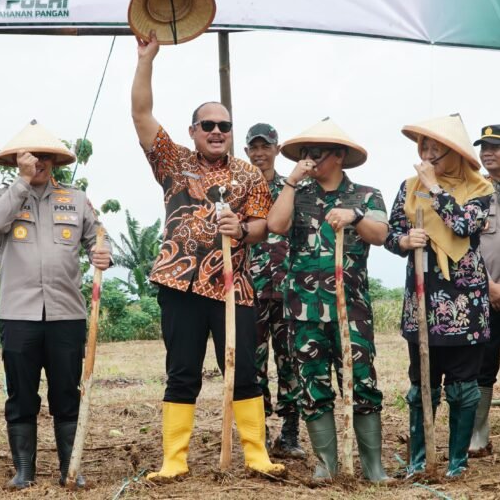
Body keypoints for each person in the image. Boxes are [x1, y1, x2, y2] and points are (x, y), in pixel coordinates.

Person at [132, 32, 284, 480]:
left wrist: (242, 229)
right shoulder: (172, 162)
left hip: (232, 287)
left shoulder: (248, 173)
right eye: (209, 125)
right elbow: (141, 113)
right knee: (182, 372)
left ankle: (256, 454)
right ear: (193, 131)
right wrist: (146, 59)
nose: (217, 132)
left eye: (224, 126)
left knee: (244, 372)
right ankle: (173, 461)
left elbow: (262, 225)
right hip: (179, 284)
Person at [0, 120, 112, 489]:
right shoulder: (1, 196)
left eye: (42, 156)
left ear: (54, 160)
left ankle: (69, 470)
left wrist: (104, 253)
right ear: (16, 161)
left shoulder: (75, 198)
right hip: (18, 314)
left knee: (66, 393)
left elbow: (98, 237)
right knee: (21, 394)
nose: (36, 162)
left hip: (66, 315)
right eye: (28, 156)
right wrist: (21, 182)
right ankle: (23, 471)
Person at [268, 117, 389, 482]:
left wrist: (354, 217)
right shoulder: (297, 195)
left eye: (316, 153)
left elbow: (381, 234)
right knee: (312, 385)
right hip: (304, 309)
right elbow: (275, 225)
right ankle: (326, 464)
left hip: (350, 310)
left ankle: (373, 466)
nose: (310, 159)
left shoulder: (365, 196)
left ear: (338, 156)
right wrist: (291, 181)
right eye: (305, 153)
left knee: (362, 383)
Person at [384, 113, 493, 478]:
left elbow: (462, 226)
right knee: (422, 386)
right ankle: (420, 458)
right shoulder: (408, 186)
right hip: (422, 299)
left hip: (466, 303)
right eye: (423, 147)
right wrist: (403, 241)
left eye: (437, 149)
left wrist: (435, 188)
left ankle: (457, 462)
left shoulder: (481, 190)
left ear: (456, 154)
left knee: (463, 387)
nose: (428, 155)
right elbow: (391, 231)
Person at [245, 123, 304, 458]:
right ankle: (259, 434)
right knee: (252, 366)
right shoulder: (237, 190)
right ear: (246, 152)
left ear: (277, 149)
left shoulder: (292, 188)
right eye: (253, 148)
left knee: (290, 364)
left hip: (288, 289)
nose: (259, 153)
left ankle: (290, 433)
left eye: (265, 147)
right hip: (249, 292)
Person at [469, 124, 500, 456]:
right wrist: (491, 287)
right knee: (483, 366)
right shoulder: (477, 191)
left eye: (495, 147)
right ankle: (478, 436)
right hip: (485, 295)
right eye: (484, 147)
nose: (487, 152)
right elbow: (467, 244)